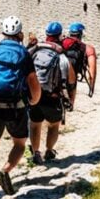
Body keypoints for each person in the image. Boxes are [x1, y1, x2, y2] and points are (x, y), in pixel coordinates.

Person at [0, 16, 41, 195]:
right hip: (16, 105)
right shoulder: (24, 54)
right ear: (20, 33)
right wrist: (34, 100)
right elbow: (32, 80)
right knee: (19, 143)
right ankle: (5, 170)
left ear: (3, 33)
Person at [28, 22, 75, 164]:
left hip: (35, 95)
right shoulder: (61, 57)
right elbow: (71, 82)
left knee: (35, 124)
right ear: (60, 36)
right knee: (54, 124)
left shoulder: (34, 51)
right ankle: (49, 150)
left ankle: (36, 153)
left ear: (47, 34)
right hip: (52, 97)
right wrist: (71, 100)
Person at [62, 22, 98, 98]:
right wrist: (91, 88)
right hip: (73, 76)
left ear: (70, 33)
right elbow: (92, 72)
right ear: (81, 34)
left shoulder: (61, 43)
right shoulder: (88, 48)